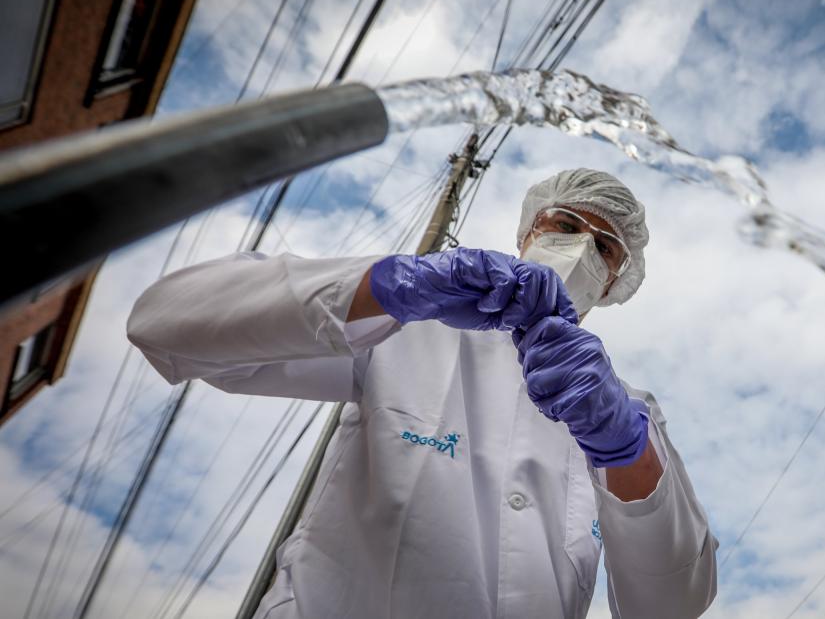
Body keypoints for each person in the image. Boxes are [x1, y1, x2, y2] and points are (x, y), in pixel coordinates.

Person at [128, 168, 718, 618]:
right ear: (529, 233)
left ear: (616, 279)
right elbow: (168, 324)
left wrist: (622, 448)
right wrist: (392, 288)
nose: (581, 248)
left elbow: (673, 602)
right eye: (565, 225)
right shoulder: (411, 329)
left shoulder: (628, 411)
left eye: (605, 246)